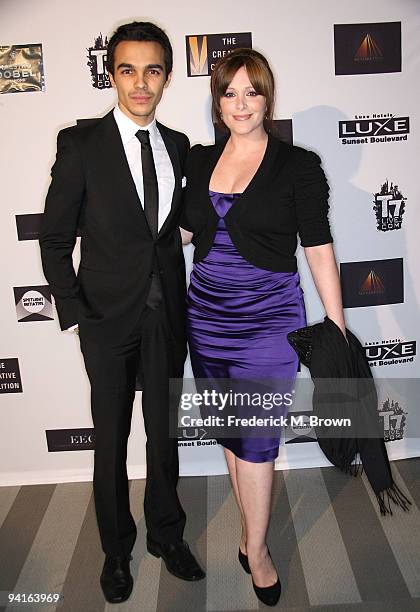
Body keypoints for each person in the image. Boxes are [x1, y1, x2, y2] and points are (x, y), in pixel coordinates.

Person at [40, 21, 205, 605]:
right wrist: (80, 311)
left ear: (166, 77)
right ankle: (116, 549)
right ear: (112, 74)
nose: (141, 83)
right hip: (107, 321)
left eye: (153, 70)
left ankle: (166, 533)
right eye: (128, 69)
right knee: (110, 440)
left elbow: (174, 230)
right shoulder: (81, 143)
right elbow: (55, 238)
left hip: (167, 317)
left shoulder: (182, 146)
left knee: (165, 436)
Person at [180, 48, 346, 606]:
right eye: (230, 92)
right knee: (232, 431)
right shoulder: (200, 161)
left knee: (256, 442)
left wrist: (337, 323)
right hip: (205, 317)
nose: (241, 103)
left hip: (268, 320)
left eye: (252, 91)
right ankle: (253, 538)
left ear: (268, 97)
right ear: (217, 101)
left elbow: (318, 245)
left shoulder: (298, 164)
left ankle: (257, 550)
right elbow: (183, 231)